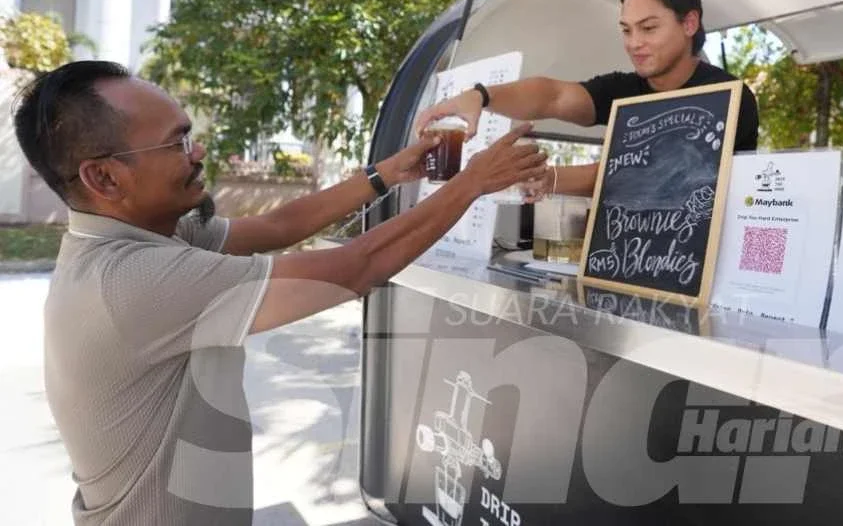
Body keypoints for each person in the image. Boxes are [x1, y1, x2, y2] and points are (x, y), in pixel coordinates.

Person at [12, 60, 547, 525]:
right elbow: (355, 268)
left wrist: (390, 171)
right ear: (104, 177)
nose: (197, 150)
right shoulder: (132, 281)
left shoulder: (149, 234)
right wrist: (472, 183)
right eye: (177, 141)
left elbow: (280, 226)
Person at [414, 0, 759, 201]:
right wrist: (481, 95)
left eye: (649, 28)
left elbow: (656, 172)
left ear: (689, 23)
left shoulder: (728, 97)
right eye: (626, 30)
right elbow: (553, 96)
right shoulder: (624, 89)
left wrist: (552, 179)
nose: (634, 42)